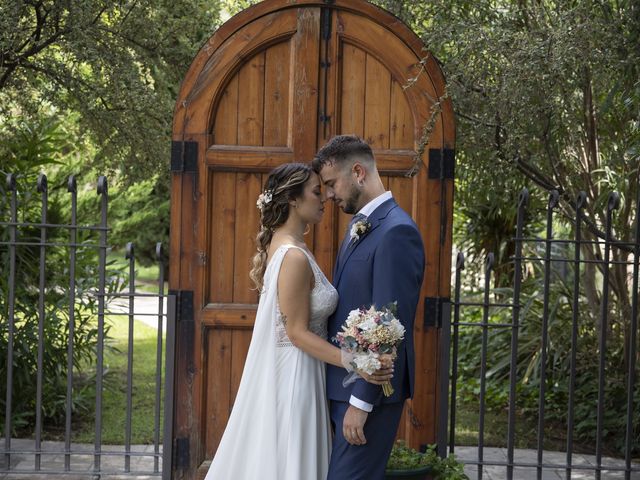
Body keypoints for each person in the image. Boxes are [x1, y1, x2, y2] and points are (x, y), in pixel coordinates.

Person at [204, 162, 392, 480]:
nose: (326, 198)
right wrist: (356, 361)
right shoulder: (292, 256)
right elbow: (296, 333)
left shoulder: (288, 247)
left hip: (301, 370)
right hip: (296, 377)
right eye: (317, 192)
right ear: (293, 199)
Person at [312, 135, 425, 480]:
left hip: (366, 393)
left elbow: (390, 324)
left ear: (358, 171)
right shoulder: (360, 226)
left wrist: (361, 403)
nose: (328, 195)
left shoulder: (397, 232)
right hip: (341, 387)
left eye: (331, 184)